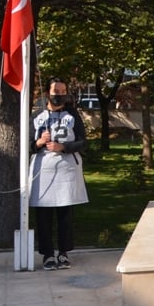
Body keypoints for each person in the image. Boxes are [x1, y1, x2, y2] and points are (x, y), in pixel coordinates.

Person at [29, 78, 88, 271]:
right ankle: (47, 254)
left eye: (63, 91)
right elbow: (28, 145)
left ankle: (63, 252)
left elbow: (82, 142)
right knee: (43, 215)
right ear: (47, 93)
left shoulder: (73, 115)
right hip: (43, 171)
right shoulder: (37, 116)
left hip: (66, 170)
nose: (60, 95)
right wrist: (39, 143)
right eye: (56, 91)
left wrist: (63, 147)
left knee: (65, 214)